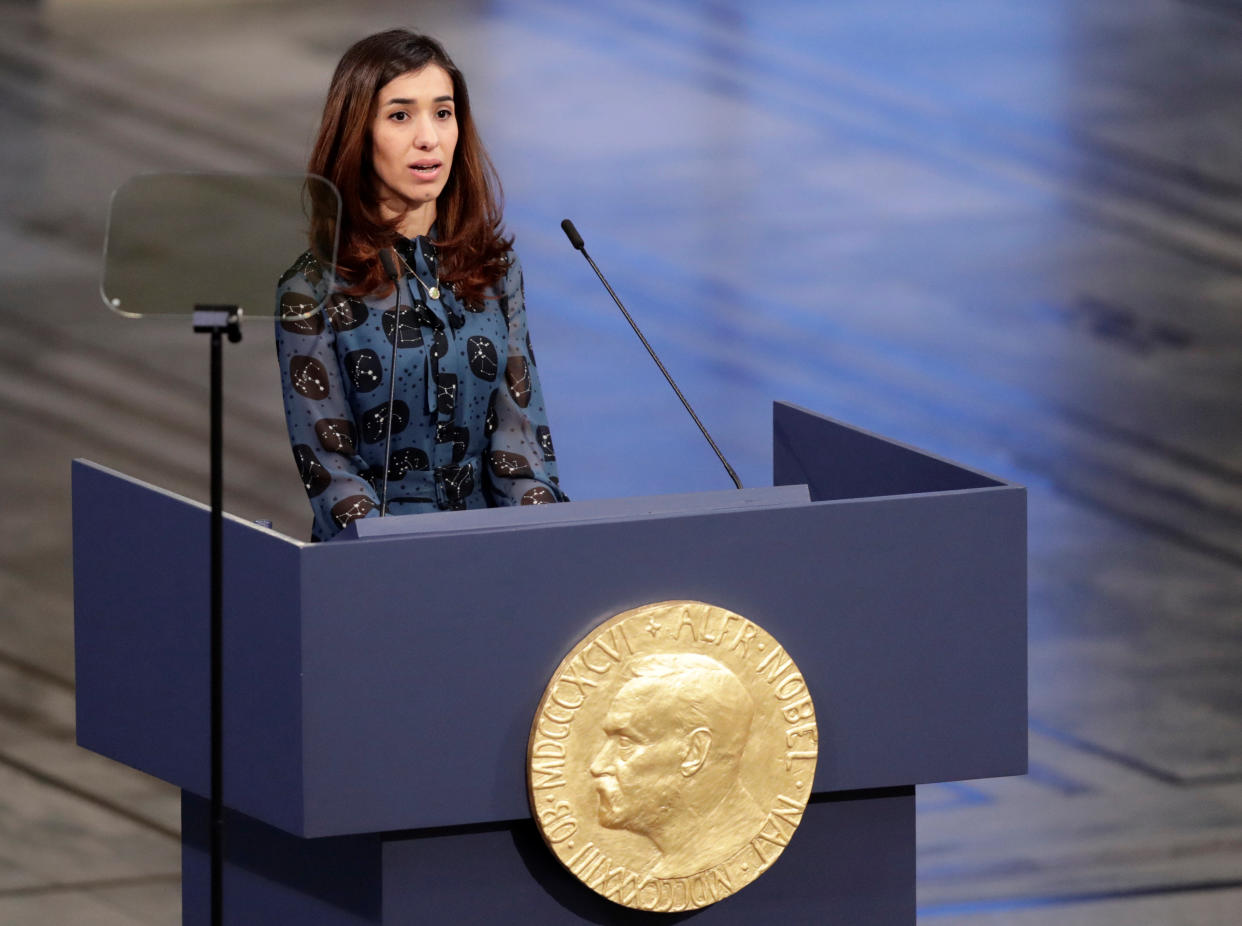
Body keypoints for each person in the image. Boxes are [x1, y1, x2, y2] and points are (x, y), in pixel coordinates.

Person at [276, 30, 565, 540]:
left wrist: (550, 544)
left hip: (492, 551)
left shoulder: (494, 270)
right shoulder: (312, 290)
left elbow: (520, 445)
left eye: (443, 112)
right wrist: (407, 568)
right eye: (400, 115)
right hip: (377, 564)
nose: (428, 137)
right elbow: (330, 473)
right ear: (356, 134)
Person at [589, 654, 766, 878]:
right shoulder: (677, 864)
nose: (597, 765)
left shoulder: (729, 846)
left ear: (694, 752)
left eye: (625, 743)